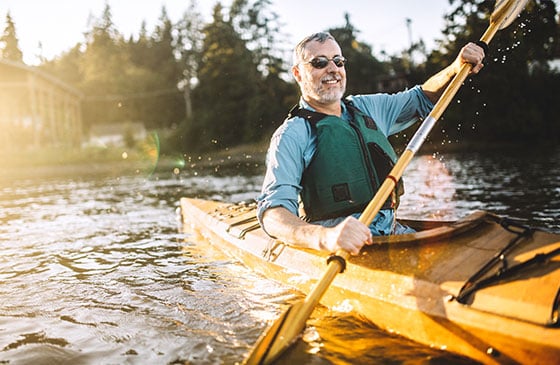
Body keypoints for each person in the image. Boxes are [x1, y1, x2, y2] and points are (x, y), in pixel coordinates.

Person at [256, 32, 485, 255]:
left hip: (392, 234)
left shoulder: (367, 108)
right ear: (298, 73)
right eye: (319, 62)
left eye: (338, 61)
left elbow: (423, 98)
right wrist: (326, 237)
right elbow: (273, 214)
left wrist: (456, 67)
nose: (333, 69)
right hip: (340, 249)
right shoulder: (291, 135)